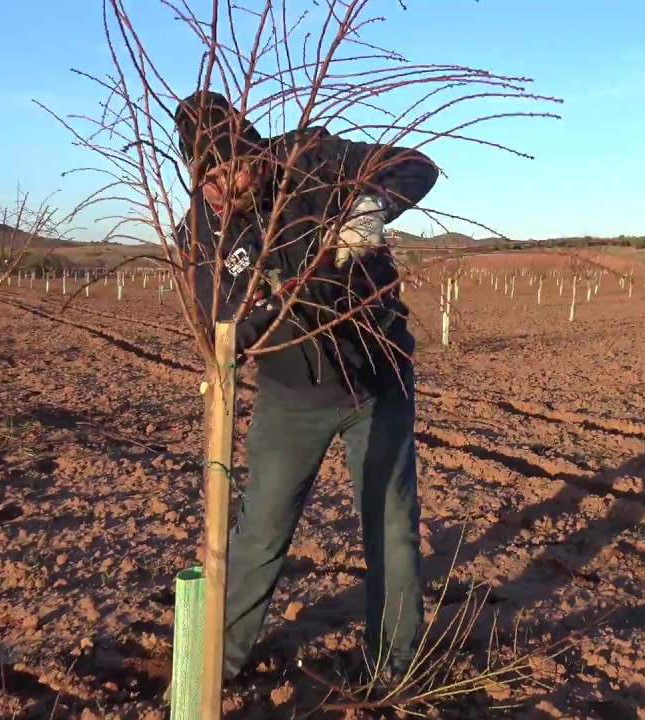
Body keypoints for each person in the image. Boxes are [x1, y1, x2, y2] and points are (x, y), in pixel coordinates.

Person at [171, 90, 440, 684]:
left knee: (392, 530)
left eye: (228, 168)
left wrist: (371, 204)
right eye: (205, 177)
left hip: (379, 381)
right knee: (259, 535)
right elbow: (227, 327)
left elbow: (417, 165)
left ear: (254, 151)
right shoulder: (203, 227)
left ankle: (395, 669)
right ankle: (218, 665)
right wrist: (281, 295)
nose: (221, 187)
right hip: (290, 399)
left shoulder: (311, 158)